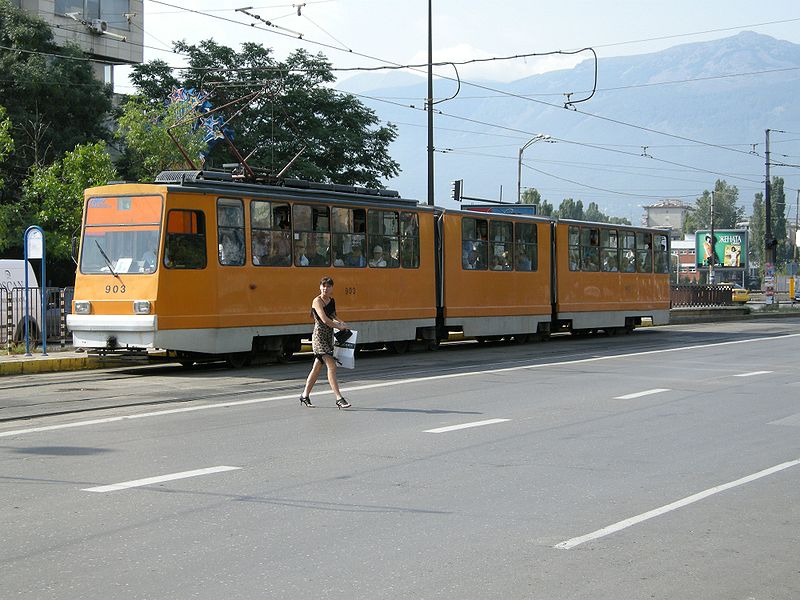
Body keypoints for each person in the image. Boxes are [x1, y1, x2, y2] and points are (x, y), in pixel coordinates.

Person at [300, 277, 352, 409]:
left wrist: (342, 323)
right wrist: (339, 327)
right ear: (320, 287)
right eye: (323, 286)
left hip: (329, 336)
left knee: (316, 368)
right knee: (332, 366)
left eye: (328, 286)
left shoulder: (331, 300)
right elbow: (324, 319)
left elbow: (333, 315)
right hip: (319, 337)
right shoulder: (317, 301)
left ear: (332, 288)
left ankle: (304, 395)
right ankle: (339, 398)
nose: (325, 288)